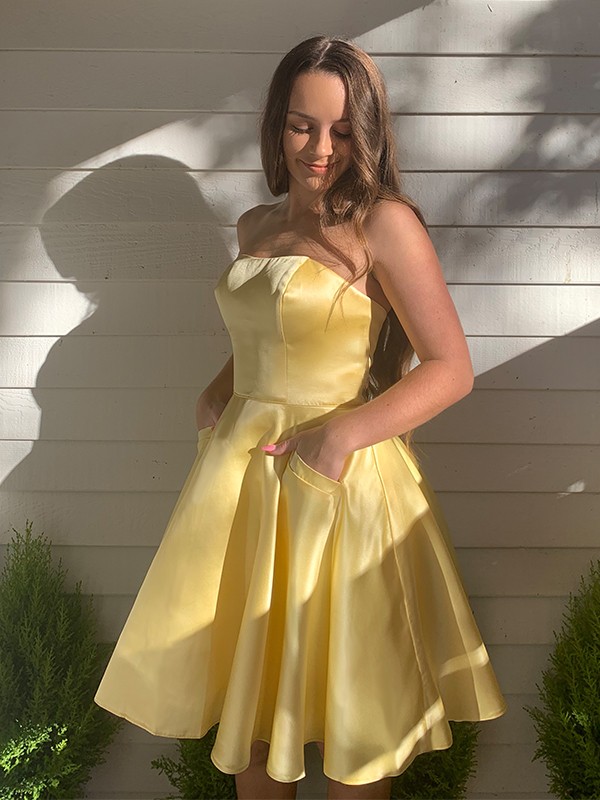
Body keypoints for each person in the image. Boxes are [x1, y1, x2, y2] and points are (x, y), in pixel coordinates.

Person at [94, 35, 507, 800]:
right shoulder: (254, 226)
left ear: (367, 133)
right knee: (251, 709)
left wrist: (341, 434)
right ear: (276, 126)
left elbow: (451, 367)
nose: (320, 149)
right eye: (301, 126)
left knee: (355, 709)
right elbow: (272, 334)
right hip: (246, 485)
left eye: (343, 130)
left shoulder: (384, 223)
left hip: (338, 489)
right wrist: (219, 392)